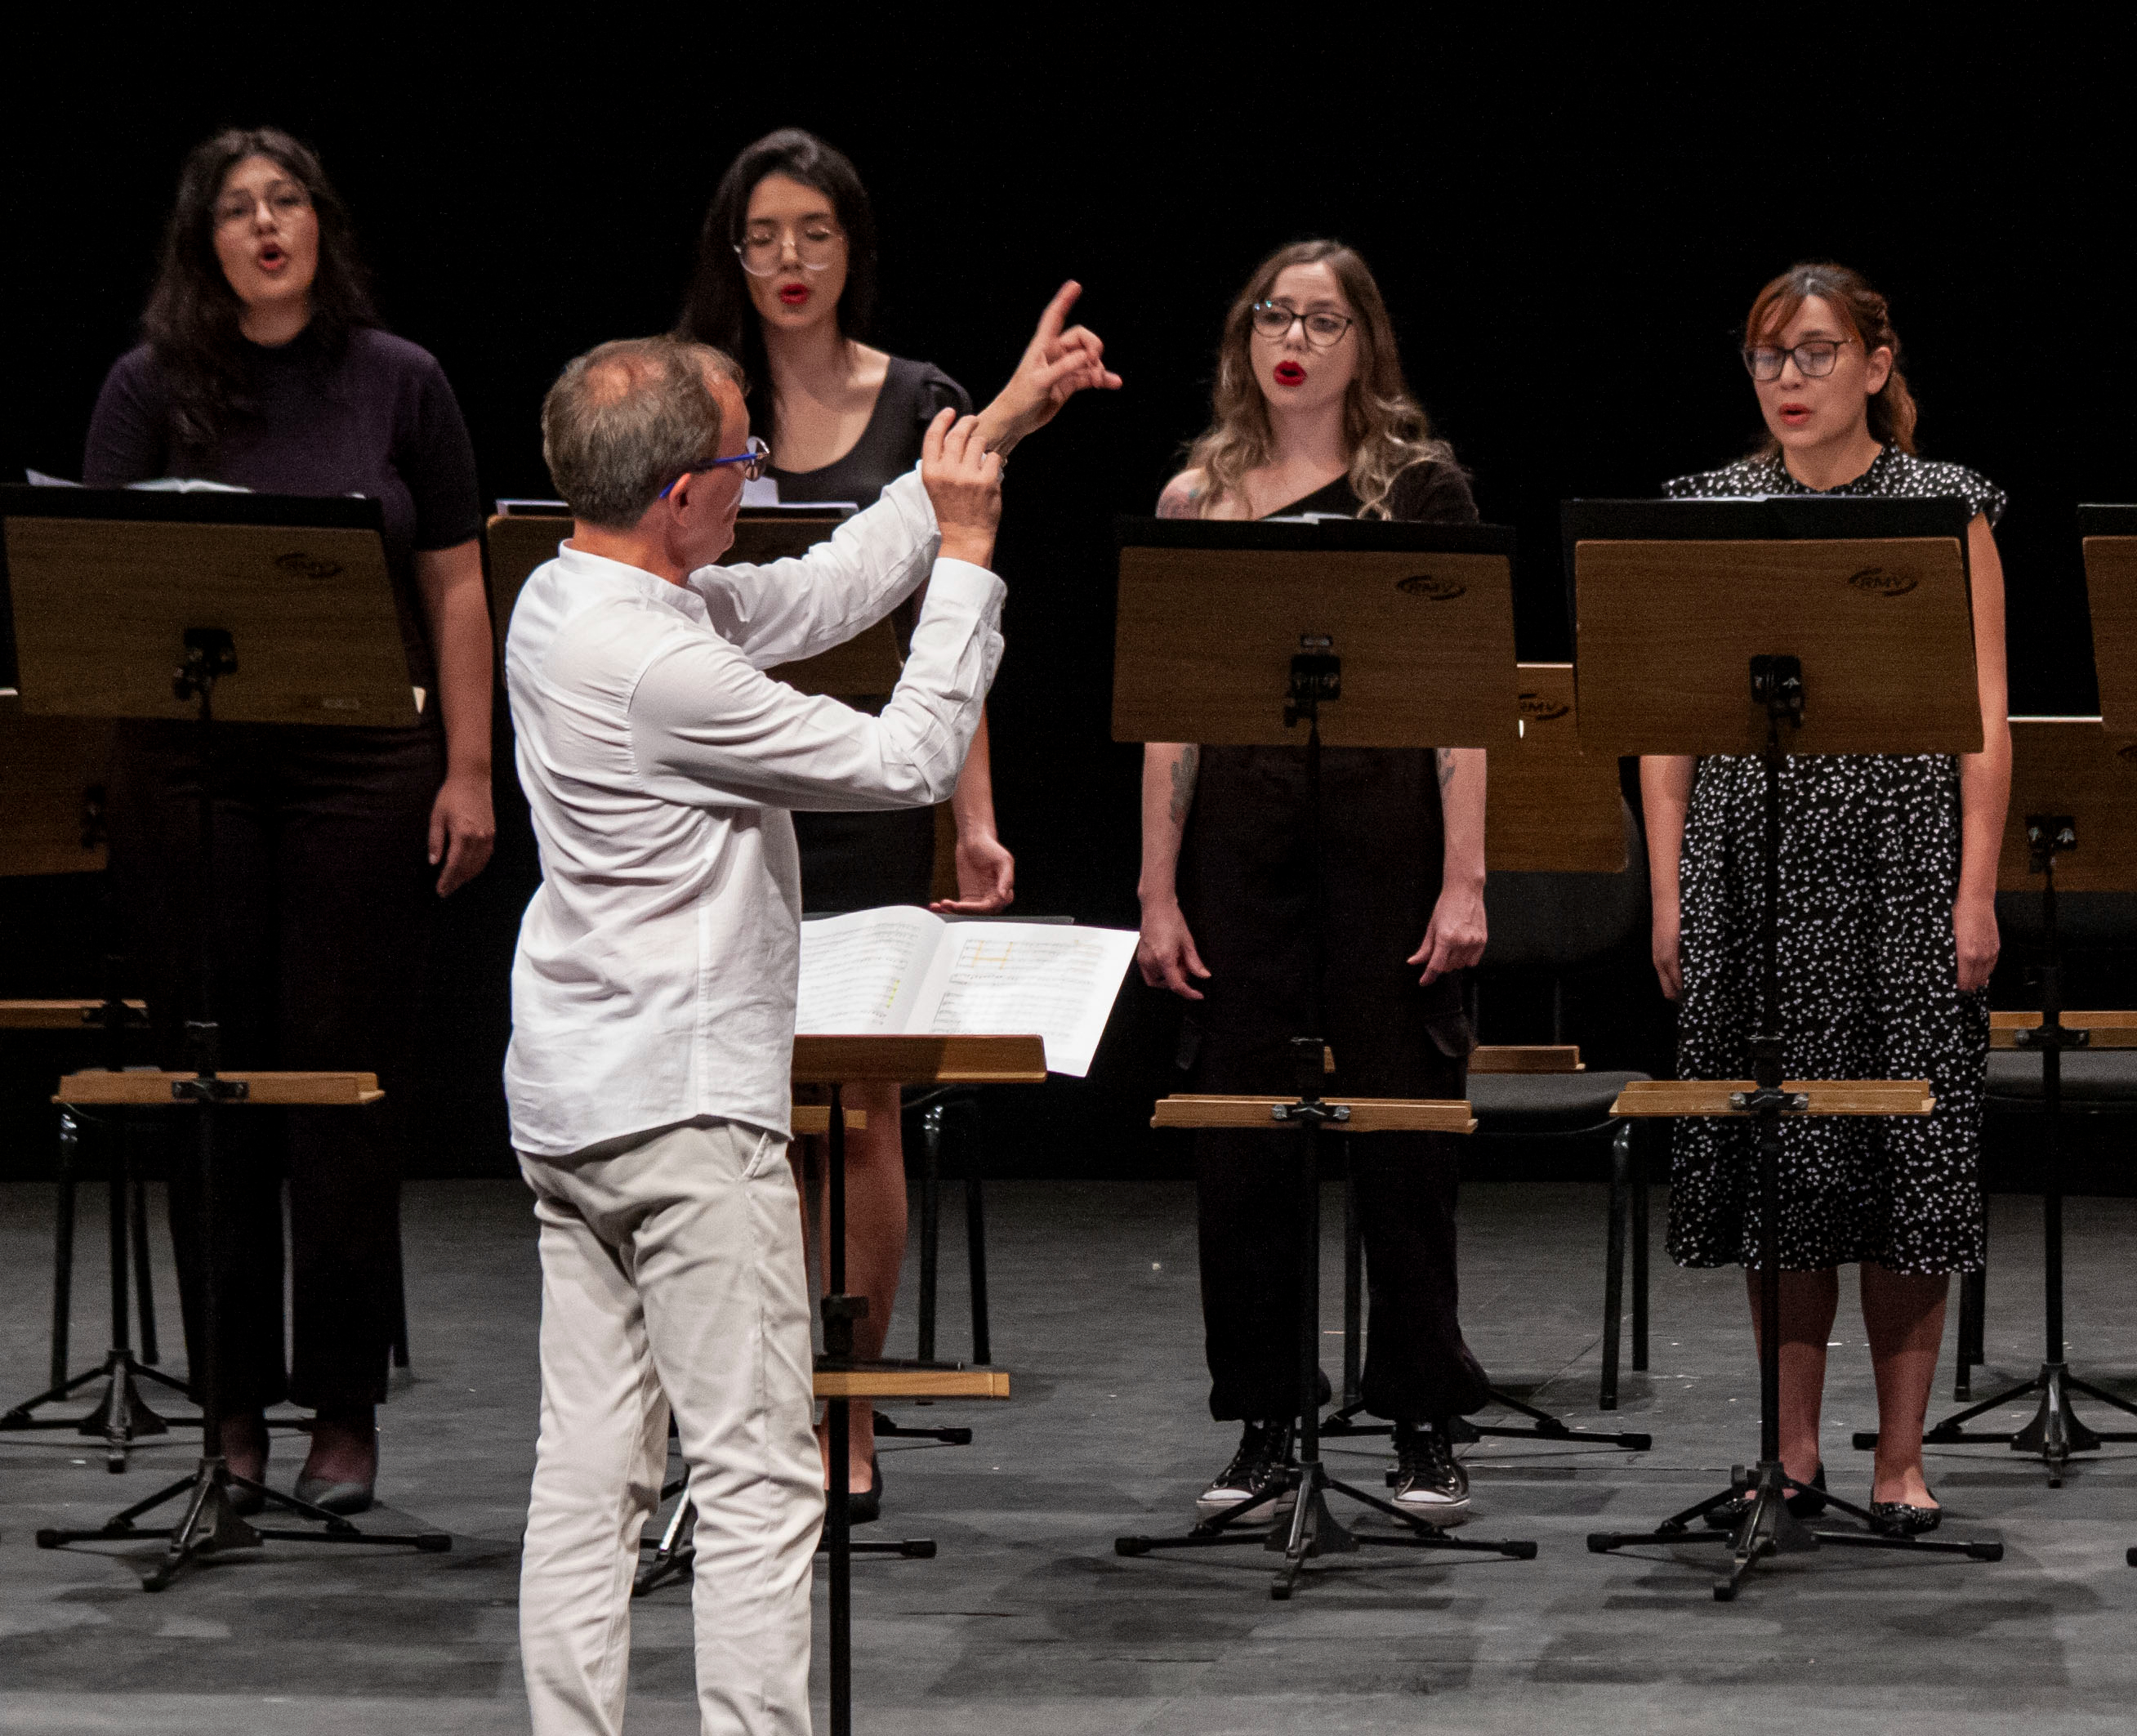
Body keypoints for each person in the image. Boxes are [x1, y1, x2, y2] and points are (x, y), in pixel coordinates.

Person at [503, 299, 1109, 1736]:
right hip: (684, 1113)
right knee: (762, 1474)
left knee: (590, 1474)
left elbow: (824, 589)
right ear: (682, 495)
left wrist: (1001, 424)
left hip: (578, 1102)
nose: (760, 474)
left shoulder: (570, 592)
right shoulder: (660, 670)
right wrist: (967, 559)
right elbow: (907, 757)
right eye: (743, 460)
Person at [83, 127, 496, 1515]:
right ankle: (232, 1409)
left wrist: (470, 766)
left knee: (341, 1091)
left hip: (363, 770)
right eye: (237, 211)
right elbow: (110, 592)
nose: (266, 227)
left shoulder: (402, 382)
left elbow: (454, 584)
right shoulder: (148, 391)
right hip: (192, 774)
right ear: (204, 242)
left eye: (287, 204)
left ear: (321, 224)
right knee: (213, 1091)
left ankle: (344, 1405)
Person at [1640, 261, 2010, 1530]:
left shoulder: (1943, 507)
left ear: (1874, 362)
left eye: (1812, 352)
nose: (1788, 379)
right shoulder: (1714, 508)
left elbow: (1983, 721)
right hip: (1753, 861)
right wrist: (1672, 891)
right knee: (1780, 1157)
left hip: (1904, 867)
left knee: (1906, 1158)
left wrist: (1976, 890)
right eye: (1767, 357)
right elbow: (1664, 728)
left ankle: (1898, 1459)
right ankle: (1790, 1451)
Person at [1133, 240, 1493, 1524]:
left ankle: (1420, 1420)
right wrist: (1156, 892)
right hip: (1240, 838)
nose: (1295, 336)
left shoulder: (1419, 492)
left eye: (1325, 319)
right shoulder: (1197, 501)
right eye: (1274, 315)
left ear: (1365, 345)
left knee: (1402, 1134)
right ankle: (1269, 1422)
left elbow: (1465, 708)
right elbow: (1167, 723)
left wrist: (1466, 880)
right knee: (1239, 1142)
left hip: (1387, 833)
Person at [677, 126, 1011, 1511]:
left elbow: (953, 624)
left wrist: (970, 819)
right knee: (751, 1114)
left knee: (861, 1113)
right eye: (765, 235)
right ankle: (746, 1410)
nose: (791, 259)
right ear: (733, 253)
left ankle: (848, 1420)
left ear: (851, 247)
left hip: (873, 782)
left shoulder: (918, 398)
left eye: (816, 231)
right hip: (718, 787)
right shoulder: (697, 402)